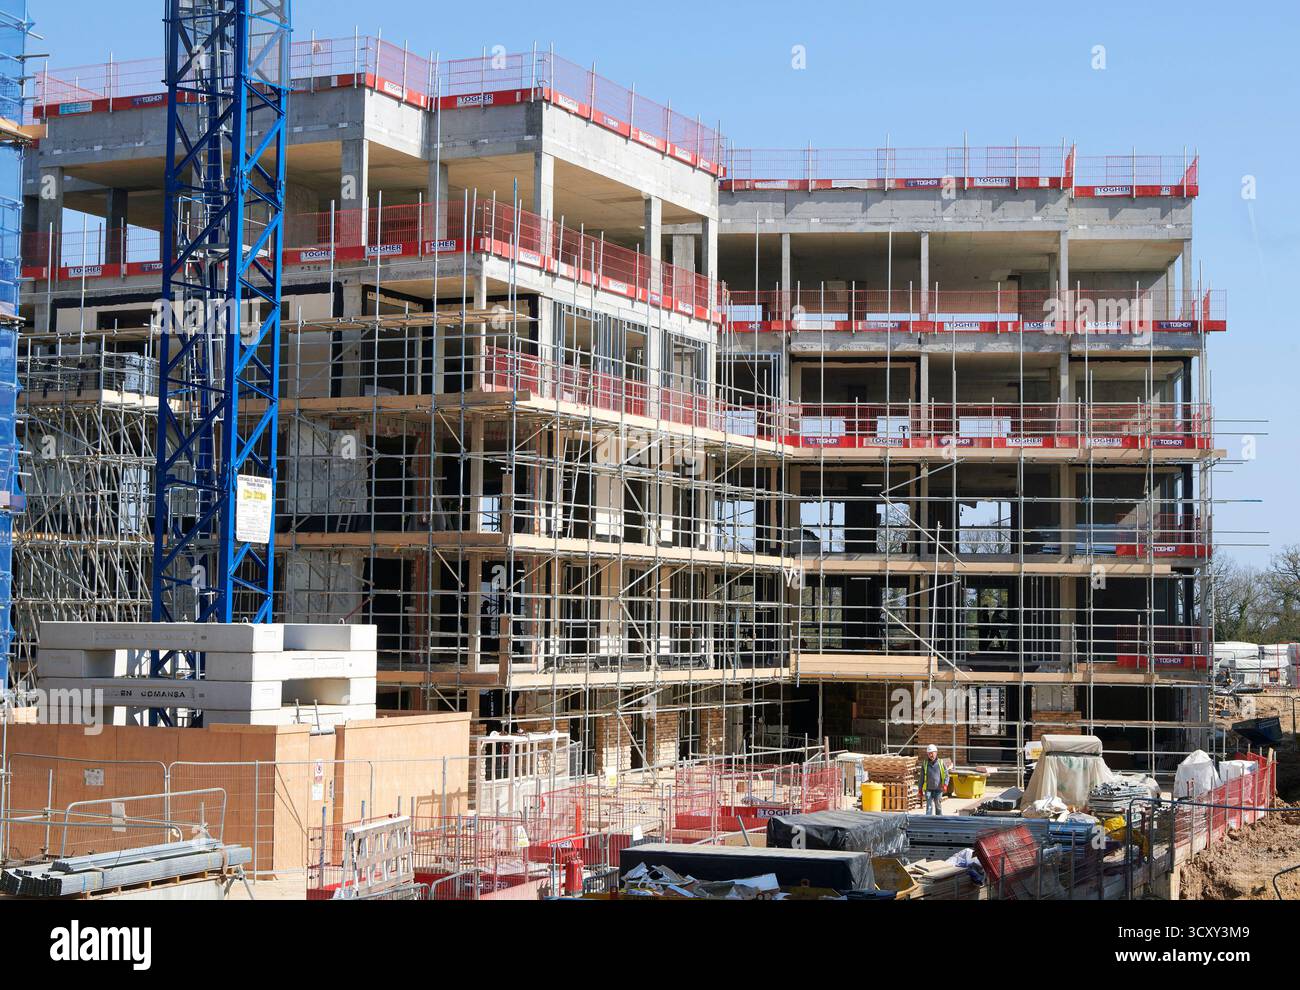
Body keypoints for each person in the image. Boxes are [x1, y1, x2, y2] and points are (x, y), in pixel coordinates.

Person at [919, 744, 949, 815]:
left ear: (936, 752)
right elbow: (921, 778)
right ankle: (928, 822)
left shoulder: (941, 763)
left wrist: (945, 784)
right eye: (929, 753)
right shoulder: (925, 763)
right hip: (928, 789)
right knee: (929, 807)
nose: (931, 755)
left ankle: (939, 821)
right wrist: (920, 789)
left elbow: (947, 775)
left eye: (932, 753)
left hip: (938, 789)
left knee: (938, 806)